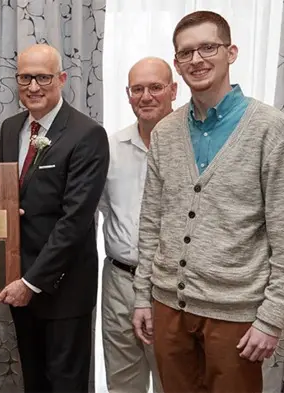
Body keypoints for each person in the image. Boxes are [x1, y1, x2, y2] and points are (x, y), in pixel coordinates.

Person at [132, 11, 284, 393]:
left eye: (207, 47)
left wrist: (272, 319)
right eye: (186, 53)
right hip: (168, 308)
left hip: (236, 317)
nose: (196, 59)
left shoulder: (270, 129)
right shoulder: (165, 132)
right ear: (177, 64)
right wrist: (142, 299)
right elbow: (151, 224)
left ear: (231, 52)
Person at [0, 44, 110, 392]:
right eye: (25, 77)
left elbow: (74, 220)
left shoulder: (87, 134)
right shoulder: (10, 127)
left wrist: (32, 282)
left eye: (43, 77)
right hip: (18, 283)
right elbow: (4, 199)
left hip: (63, 287)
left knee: (65, 384)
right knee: (34, 380)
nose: (33, 86)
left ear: (61, 79)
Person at [98, 57, 176, 393]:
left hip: (172, 287)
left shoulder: (192, 145)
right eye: (137, 89)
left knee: (172, 381)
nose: (146, 96)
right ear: (127, 95)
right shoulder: (108, 148)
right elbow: (94, 209)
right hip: (119, 281)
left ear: (173, 90)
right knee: (122, 383)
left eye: (155, 87)